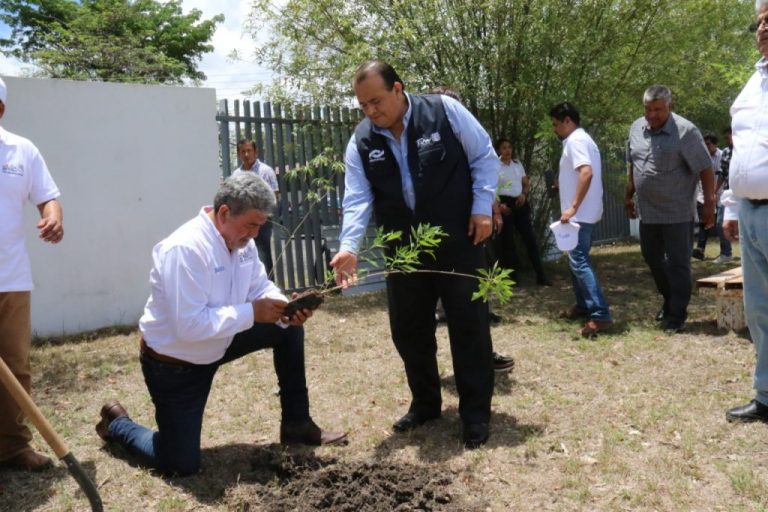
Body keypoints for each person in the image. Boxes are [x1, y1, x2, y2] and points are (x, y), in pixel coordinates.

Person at [96, 173, 346, 476]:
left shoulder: (242, 242)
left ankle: (297, 424)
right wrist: (252, 313)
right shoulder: (185, 249)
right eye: (251, 225)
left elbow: (258, 285)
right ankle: (118, 424)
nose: (255, 234)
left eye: (260, 226)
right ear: (225, 213)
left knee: (288, 328)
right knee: (180, 464)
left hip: (219, 342)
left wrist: (282, 307)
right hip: (176, 363)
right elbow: (189, 327)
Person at [331, 61, 498, 448]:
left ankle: (475, 414)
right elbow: (357, 197)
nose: (370, 111)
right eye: (362, 105)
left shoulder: (443, 111)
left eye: (375, 101)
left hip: (459, 238)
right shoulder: (361, 140)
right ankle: (426, 403)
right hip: (404, 249)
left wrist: (481, 206)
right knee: (408, 329)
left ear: (398, 89)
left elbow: (484, 157)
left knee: (468, 326)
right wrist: (349, 247)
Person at [0, 78, 63, 473]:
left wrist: (53, 218)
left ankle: (11, 448)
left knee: (15, 365)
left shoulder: (21, 150)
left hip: (11, 279)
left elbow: (47, 196)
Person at [429, 86, 513, 374]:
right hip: (437, 233)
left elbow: (483, 174)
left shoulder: (468, 138)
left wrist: (491, 208)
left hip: (470, 229)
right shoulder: (426, 142)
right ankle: (433, 369)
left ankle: (482, 357)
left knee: (473, 295)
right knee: (444, 302)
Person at [625, 85, 715, 334]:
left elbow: (705, 169)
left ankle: (677, 313)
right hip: (648, 212)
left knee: (678, 263)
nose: (651, 115)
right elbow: (633, 164)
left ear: (670, 107)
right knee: (651, 257)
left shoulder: (685, 131)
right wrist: (628, 195)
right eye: (647, 109)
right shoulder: (635, 128)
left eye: (658, 110)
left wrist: (709, 204)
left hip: (677, 212)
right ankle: (669, 299)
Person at [724, 0, 768, 423]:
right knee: (759, 309)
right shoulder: (753, 84)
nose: (763, 29)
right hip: (753, 213)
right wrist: (733, 205)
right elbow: (744, 151)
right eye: (761, 21)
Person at [550, 102, 613, 337]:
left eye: (556, 124)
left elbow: (586, 172)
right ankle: (584, 305)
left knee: (579, 261)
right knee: (576, 259)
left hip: (579, 214)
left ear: (568, 121)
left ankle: (600, 314)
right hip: (585, 212)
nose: (555, 129)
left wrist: (572, 206)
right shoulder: (583, 139)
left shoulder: (576, 140)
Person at [494, 137, 550, 286]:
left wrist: (524, 194)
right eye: (504, 147)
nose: (508, 150)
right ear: (499, 150)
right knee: (508, 243)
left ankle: (540, 275)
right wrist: (499, 206)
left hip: (520, 203)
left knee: (530, 239)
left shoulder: (518, 165)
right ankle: (513, 278)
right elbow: (492, 189)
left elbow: (525, 183)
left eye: (509, 147)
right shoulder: (494, 166)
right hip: (505, 205)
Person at [232, 139, 279, 276]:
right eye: (243, 151)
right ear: (239, 154)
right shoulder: (236, 175)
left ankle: (268, 289)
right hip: (242, 222)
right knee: (244, 255)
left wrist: (263, 215)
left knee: (263, 254)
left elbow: (274, 196)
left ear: (255, 152)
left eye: (249, 151)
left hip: (262, 221)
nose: (246, 154)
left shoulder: (265, 171)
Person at [692, 134, 722, 260]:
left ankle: (726, 252)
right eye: (704, 144)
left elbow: (723, 175)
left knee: (719, 224)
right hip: (702, 195)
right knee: (704, 221)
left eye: (708, 144)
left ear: (715, 144)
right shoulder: (700, 157)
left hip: (719, 195)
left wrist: (714, 192)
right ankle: (700, 249)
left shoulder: (721, 156)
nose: (706, 146)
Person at [713, 127, 733, 264]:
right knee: (720, 222)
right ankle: (726, 253)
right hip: (728, 193)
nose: (727, 140)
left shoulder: (748, 150)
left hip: (745, 194)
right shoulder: (726, 152)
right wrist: (713, 192)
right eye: (725, 138)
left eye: (728, 137)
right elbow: (722, 174)